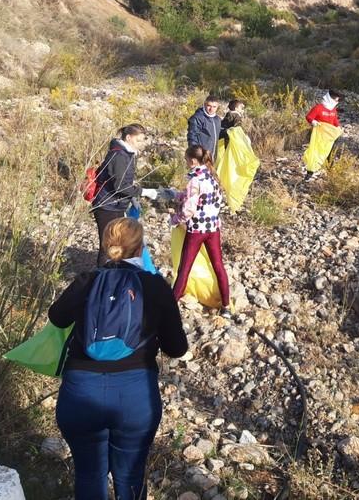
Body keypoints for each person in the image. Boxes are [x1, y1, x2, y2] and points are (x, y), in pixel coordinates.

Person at [49, 217, 188, 500]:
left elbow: (57, 317)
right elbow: (177, 348)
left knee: (89, 474)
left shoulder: (87, 281)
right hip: (135, 397)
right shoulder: (155, 286)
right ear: (140, 249)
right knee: (130, 476)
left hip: (80, 394)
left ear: (105, 245)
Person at [171, 145, 230, 316]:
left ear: (193, 161)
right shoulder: (212, 175)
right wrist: (178, 195)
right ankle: (226, 306)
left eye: (186, 159)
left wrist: (175, 220)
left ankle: (172, 303)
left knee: (185, 267)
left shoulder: (194, 180)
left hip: (197, 229)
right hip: (213, 227)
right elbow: (209, 199)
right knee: (218, 265)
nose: (186, 162)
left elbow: (189, 209)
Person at [90, 125, 154, 265]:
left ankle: (112, 276)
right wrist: (143, 192)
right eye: (138, 140)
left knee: (118, 243)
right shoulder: (119, 155)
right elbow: (120, 186)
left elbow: (125, 181)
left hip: (116, 204)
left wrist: (132, 198)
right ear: (129, 138)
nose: (141, 144)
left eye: (142, 140)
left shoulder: (128, 153)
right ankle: (102, 279)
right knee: (108, 246)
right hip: (107, 205)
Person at [303, 90, 344, 180]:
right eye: (336, 100)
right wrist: (313, 121)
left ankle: (330, 173)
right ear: (330, 99)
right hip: (319, 135)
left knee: (330, 153)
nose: (337, 102)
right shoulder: (318, 108)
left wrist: (338, 127)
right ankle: (309, 173)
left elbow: (335, 120)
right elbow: (309, 117)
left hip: (329, 136)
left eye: (337, 101)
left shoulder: (333, 110)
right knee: (315, 152)